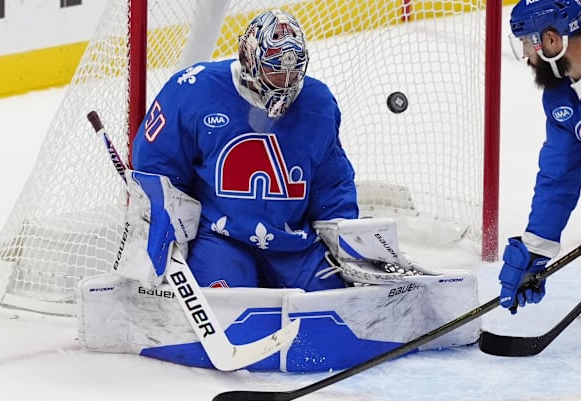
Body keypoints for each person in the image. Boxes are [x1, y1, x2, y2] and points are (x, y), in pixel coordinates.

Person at [129, 9, 424, 291]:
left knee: (339, 302)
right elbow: (156, 163)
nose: (285, 81)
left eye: (293, 71)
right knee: (227, 304)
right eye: (275, 69)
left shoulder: (317, 103)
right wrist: (165, 218)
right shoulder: (194, 89)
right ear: (250, 59)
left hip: (294, 243)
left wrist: (343, 233)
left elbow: (330, 182)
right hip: (222, 239)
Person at [499, 0, 581, 313]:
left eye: (526, 43)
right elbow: (558, 177)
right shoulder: (560, 99)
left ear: (551, 40)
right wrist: (536, 248)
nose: (525, 56)